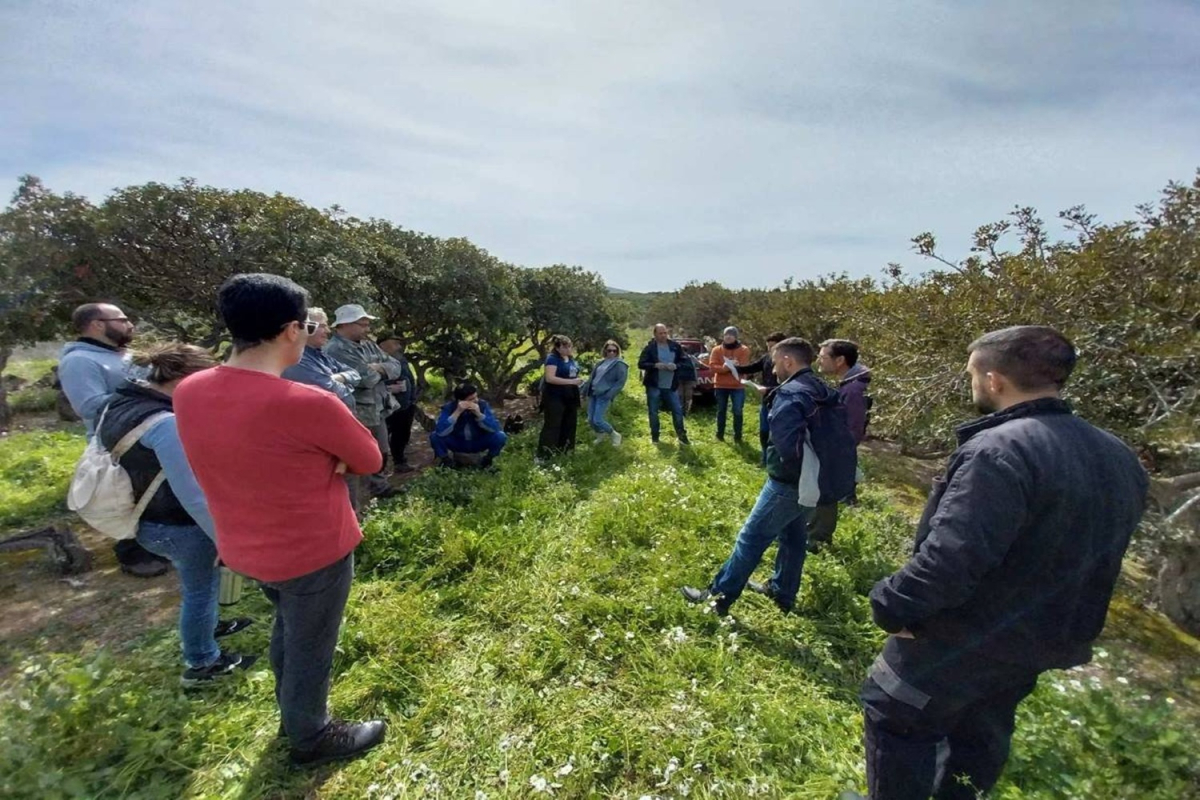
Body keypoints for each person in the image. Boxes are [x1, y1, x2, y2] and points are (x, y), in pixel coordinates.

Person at [852, 326, 1147, 800]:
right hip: (1037, 640)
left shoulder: (999, 450)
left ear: (993, 380)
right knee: (977, 737)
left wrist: (891, 604)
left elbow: (952, 557)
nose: (970, 383)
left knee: (897, 715)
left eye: (971, 374)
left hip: (961, 636)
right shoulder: (1117, 454)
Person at [175, 273, 387, 768]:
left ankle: (293, 712)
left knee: (289, 630)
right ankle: (311, 735)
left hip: (247, 547)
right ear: (293, 330)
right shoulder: (307, 402)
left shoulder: (189, 390)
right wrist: (331, 460)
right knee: (312, 644)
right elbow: (370, 459)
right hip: (313, 549)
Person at [99, 343, 254, 687]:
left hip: (147, 517)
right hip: (178, 523)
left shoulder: (125, 403)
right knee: (200, 588)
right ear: (184, 378)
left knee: (199, 586)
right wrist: (226, 539)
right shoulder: (164, 424)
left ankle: (210, 625)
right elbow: (192, 495)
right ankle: (202, 663)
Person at [680, 337, 846, 615]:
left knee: (751, 538)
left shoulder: (791, 393)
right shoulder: (819, 387)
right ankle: (782, 592)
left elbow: (787, 445)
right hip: (813, 479)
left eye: (774, 359)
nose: (771, 365)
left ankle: (717, 598)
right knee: (793, 538)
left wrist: (788, 472)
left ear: (787, 361)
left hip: (788, 483)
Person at [59, 302, 168, 578]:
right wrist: (145, 392)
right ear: (97, 324)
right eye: (122, 319)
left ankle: (159, 546)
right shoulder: (80, 361)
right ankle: (133, 555)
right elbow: (88, 406)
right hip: (117, 443)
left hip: (150, 434)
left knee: (154, 494)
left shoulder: (123, 354)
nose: (130, 325)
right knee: (126, 496)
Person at [324, 304, 402, 498]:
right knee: (355, 457)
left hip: (378, 408)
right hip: (355, 411)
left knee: (381, 451)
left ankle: (379, 487)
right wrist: (377, 370)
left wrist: (378, 368)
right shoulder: (335, 349)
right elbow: (365, 379)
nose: (368, 329)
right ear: (346, 324)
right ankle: (353, 501)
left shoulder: (368, 344)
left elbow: (396, 366)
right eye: (363, 324)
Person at [808, 339, 873, 551]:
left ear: (840, 361)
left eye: (823, 356)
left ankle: (818, 539)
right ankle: (815, 532)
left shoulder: (853, 390)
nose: (819, 360)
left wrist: (833, 449)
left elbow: (852, 428)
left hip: (836, 450)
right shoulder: (849, 383)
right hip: (835, 448)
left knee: (826, 492)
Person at [281, 308, 360, 413]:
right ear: (307, 327)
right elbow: (329, 390)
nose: (328, 331)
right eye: (322, 326)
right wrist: (346, 384)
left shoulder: (321, 355)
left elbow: (356, 374)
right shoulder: (298, 359)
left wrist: (338, 377)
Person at [430, 383, 508, 468]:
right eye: (472, 399)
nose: (476, 400)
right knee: (435, 436)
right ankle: (447, 462)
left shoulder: (482, 405)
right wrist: (457, 413)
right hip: (458, 442)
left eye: (476, 397)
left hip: (478, 441)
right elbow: (440, 431)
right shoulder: (449, 408)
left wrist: (479, 415)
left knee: (500, 436)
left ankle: (487, 461)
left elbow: (495, 428)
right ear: (461, 401)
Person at [739, 331, 788, 466]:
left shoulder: (788, 362)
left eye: (773, 346)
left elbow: (789, 384)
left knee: (777, 433)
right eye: (768, 346)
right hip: (766, 400)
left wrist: (769, 389)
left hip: (780, 401)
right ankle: (765, 458)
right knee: (764, 432)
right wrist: (734, 368)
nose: (770, 349)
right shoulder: (766, 358)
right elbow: (753, 367)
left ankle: (777, 461)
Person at [636, 324, 690, 445]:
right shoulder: (650, 348)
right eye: (660, 333)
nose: (663, 335)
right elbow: (641, 363)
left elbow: (685, 362)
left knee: (677, 410)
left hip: (671, 385)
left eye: (665, 333)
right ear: (655, 334)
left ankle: (682, 437)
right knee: (653, 411)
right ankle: (655, 437)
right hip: (654, 384)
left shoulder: (675, 346)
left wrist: (676, 366)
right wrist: (655, 365)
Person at [377, 334, 419, 472]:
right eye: (394, 343)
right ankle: (377, 469)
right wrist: (389, 389)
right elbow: (366, 382)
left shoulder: (400, 358)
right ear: (383, 344)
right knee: (380, 436)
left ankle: (400, 462)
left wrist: (412, 398)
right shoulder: (374, 360)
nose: (398, 347)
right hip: (385, 406)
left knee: (401, 434)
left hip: (405, 405)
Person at [537, 334, 583, 461]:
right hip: (555, 396)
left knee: (569, 423)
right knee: (553, 424)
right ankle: (544, 455)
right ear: (557, 348)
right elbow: (550, 378)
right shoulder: (552, 359)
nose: (568, 349)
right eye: (565, 347)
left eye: (570, 346)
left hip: (570, 396)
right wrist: (571, 382)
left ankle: (565, 450)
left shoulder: (571, 359)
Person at [708, 326, 752, 442]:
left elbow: (743, 367)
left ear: (735, 337)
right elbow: (712, 367)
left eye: (731, 334)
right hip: (721, 385)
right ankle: (719, 435)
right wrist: (725, 368)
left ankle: (738, 436)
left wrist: (732, 367)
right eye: (726, 334)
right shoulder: (716, 350)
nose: (728, 336)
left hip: (737, 386)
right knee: (721, 410)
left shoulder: (744, 350)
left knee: (737, 410)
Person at [584, 340, 629, 446]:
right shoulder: (601, 362)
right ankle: (600, 435)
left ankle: (614, 434)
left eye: (614, 351)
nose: (612, 353)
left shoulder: (620, 364)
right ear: (605, 351)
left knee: (598, 419)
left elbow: (620, 382)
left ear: (618, 351)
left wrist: (610, 394)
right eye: (609, 350)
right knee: (591, 419)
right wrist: (584, 390)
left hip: (604, 394)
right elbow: (592, 378)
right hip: (593, 392)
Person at [676, 349, 699, 415]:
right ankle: (682, 412)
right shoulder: (690, 358)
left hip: (686, 379)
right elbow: (699, 364)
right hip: (682, 379)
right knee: (683, 396)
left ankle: (684, 412)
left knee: (685, 396)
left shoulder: (691, 358)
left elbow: (699, 364)